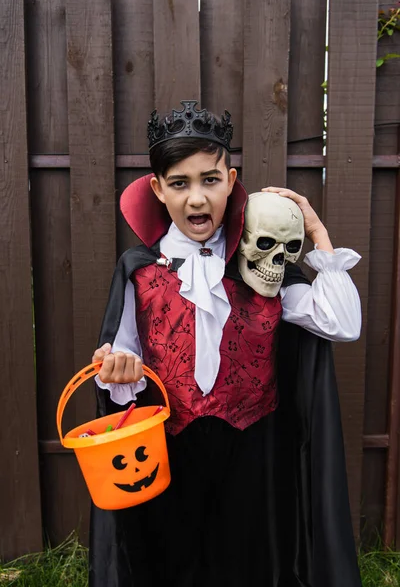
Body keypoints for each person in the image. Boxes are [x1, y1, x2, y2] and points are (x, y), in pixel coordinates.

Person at [89, 100, 362, 587]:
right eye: (180, 183)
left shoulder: (262, 264)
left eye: (210, 180)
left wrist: (318, 236)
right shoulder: (139, 270)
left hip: (253, 450)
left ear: (232, 181)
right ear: (157, 189)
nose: (197, 199)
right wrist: (119, 373)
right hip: (168, 450)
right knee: (172, 562)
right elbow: (122, 368)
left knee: (247, 564)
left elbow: (341, 323)